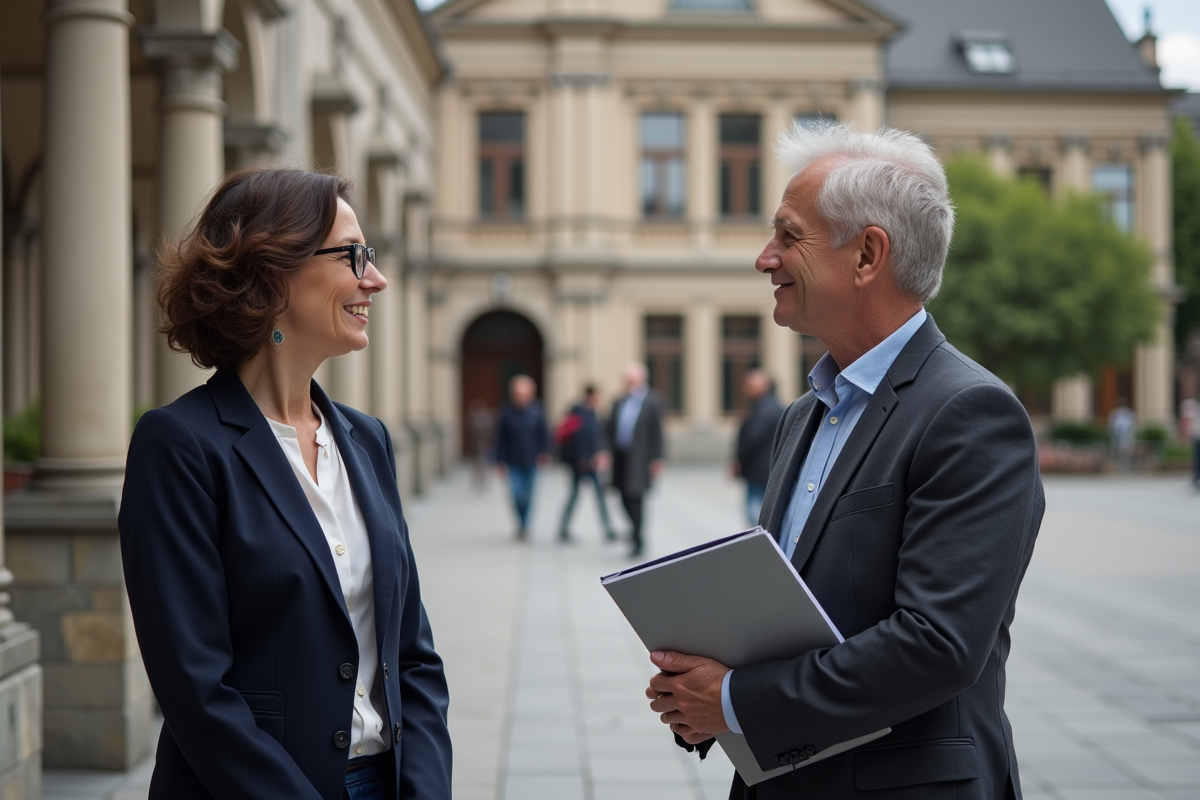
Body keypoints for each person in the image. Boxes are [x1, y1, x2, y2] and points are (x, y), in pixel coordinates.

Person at [643, 124, 1044, 800]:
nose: (765, 259)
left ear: (867, 256)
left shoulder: (971, 413)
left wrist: (736, 699)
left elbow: (935, 645)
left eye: (788, 235)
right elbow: (790, 612)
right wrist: (699, 693)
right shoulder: (805, 414)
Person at [118, 168, 452, 800]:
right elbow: (196, 692)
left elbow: (414, 657)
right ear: (271, 273)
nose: (374, 279)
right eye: (354, 256)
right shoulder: (180, 446)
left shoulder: (367, 440)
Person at [604, 363, 666, 558]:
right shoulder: (618, 401)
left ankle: (638, 538)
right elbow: (608, 429)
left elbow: (658, 432)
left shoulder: (653, 400)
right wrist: (604, 452)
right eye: (626, 380)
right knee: (622, 497)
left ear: (641, 379)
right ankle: (634, 531)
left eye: (631, 379)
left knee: (636, 497)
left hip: (640, 458)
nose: (628, 383)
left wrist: (657, 458)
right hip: (620, 457)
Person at [494, 374, 551, 539]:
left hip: (532, 460)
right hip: (512, 461)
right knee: (516, 495)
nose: (521, 398)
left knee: (530, 495)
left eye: (524, 394)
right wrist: (499, 461)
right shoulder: (506, 411)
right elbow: (500, 438)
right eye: (518, 394)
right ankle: (521, 522)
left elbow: (544, 434)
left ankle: (525, 525)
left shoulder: (537, 410)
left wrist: (545, 453)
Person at [558, 385, 617, 542]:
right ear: (590, 395)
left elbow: (599, 437)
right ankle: (563, 528)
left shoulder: (594, 413)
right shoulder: (578, 413)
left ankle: (608, 529)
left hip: (593, 462)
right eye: (597, 395)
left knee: (598, 496)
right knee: (575, 495)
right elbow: (577, 439)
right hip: (581, 463)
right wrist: (583, 458)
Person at [732, 370, 784, 526]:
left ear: (765, 387)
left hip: (758, 469)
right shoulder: (776, 407)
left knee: (755, 513)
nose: (746, 389)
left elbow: (751, 439)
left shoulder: (763, 410)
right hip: (772, 467)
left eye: (751, 386)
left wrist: (739, 460)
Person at [466, 398, 495, 492]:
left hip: (484, 446)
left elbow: (491, 431)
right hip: (477, 446)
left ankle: (483, 481)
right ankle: (478, 481)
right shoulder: (474, 419)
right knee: (477, 465)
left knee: (483, 464)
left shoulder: (486, 418)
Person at [1109, 398, 1137, 472]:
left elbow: (1132, 423)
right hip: (1117, 434)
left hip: (1126, 433)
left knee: (1126, 449)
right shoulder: (1114, 412)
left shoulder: (1127, 412)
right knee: (1118, 449)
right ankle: (1119, 465)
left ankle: (1126, 465)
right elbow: (1111, 424)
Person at [1182, 397, 1199, 488]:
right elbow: (1186, 419)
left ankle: (1196, 479)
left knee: (1197, 459)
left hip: (1196, 435)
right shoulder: (1191, 404)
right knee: (1197, 459)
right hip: (1197, 436)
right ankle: (1196, 479)